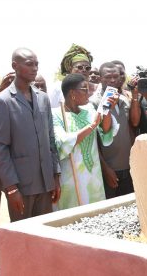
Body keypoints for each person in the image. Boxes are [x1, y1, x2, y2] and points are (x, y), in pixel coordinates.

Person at [0, 48, 61, 221]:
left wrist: (55, 176)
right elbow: (0, 148)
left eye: (36, 64)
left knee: (45, 237)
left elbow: (50, 139)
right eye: (29, 64)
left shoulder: (42, 98)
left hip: (45, 183)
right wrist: (11, 188)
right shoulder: (3, 101)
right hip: (21, 186)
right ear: (15, 66)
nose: (35, 68)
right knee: (23, 241)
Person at [53, 73, 118, 209]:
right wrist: (91, 126)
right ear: (72, 93)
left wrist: (107, 111)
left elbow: (105, 134)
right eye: (84, 90)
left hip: (93, 176)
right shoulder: (56, 115)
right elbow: (62, 143)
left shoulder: (89, 110)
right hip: (70, 177)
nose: (88, 94)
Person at [91, 62, 135, 198]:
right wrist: (106, 168)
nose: (112, 80)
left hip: (129, 167)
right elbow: (94, 142)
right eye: (108, 77)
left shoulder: (124, 100)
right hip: (109, 171)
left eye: (115, 76)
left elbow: (130, 130)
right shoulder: (93, 103)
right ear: (100, 78)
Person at [49, 44, 94, 108]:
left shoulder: (95, 89)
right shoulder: (57, 88)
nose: (84, 70)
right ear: (70, 69)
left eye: (87, 68)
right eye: (80, 67)